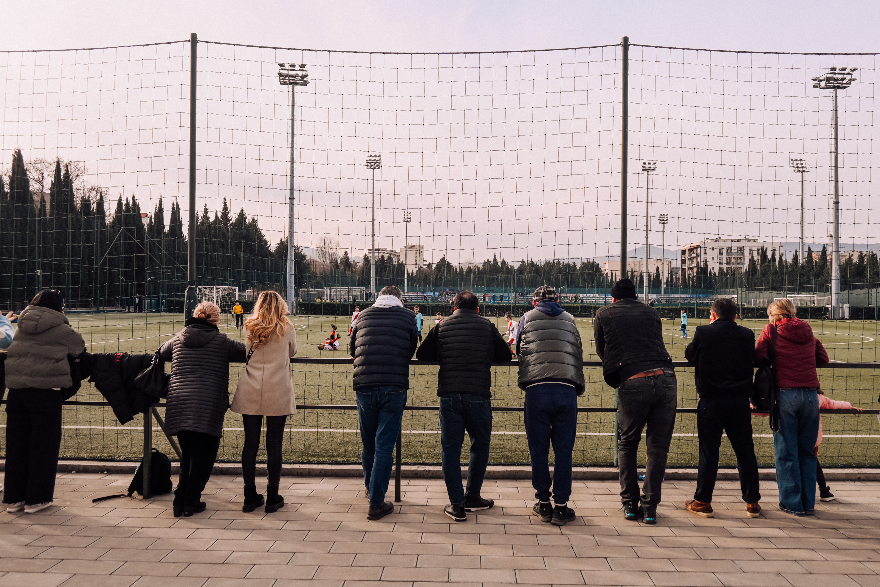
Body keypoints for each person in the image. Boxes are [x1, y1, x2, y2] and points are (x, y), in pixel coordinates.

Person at [416, 290, 512, 522]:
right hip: (478, 393)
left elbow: (422, 354)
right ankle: (472, 496)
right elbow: (506, 356)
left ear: (453, 307)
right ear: (478, 308)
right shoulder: (487, 326)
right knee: (480, 446)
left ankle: (457, 504)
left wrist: (446, 356)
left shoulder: (443, 326)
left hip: (449, 394)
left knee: (450, 449)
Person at [594, 278, 676, 525]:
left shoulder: (604, 313)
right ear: (636, 297)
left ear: (614, 298)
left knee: (628, 443)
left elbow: (602, 350)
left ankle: (630, 503)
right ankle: (650, 508)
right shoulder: (651, 312)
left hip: (634, 379)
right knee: (658, 448)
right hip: (666, 378)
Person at [159, 302, 246, 517]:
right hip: (208, 405)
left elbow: (161, 352)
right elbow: (246, 353)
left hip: (179, 402)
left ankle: (180, 500)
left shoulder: (179, 338)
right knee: (204, 457)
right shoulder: (222, 341)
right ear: (215, 320)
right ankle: (190, 500)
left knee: (187, 455)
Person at [3, 290, 85, 513]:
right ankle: (36, 499)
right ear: (59, 307)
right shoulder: (61, 328)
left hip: (17, 392)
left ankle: (13, 499)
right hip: (45, 392)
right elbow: (79, 346)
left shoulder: (22, 326)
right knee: (43, 447)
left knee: (16, 447)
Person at [683, 298, 761, 519]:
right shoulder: (747, 335)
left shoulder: (704, 332)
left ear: (713, 314)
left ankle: (703, 501)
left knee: (709, 451)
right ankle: (752, 501)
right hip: (739, 401)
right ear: (735, 315)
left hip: (712, 400)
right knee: (745, 450)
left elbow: (690, 356)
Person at [515, 285, 585, 526]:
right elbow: (577, 351)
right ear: (559, 300)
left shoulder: (526, 318)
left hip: (537, 389)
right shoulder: (570, 319)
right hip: (566, 389)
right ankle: (562, 506)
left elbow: (519, 350)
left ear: (534, 302)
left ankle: (543, 503)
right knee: (564, 451)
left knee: (539, 450)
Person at [754, 298, 828, 517]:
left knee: (786, 452)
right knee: (807, 451)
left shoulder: (771, 330)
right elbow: (823, 359)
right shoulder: (807, 330)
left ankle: (791, 503)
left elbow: (758, 356)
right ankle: (808, 503)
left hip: (785, 393)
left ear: (774, 315)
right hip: (810, 395)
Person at [350, 285, 418, 520]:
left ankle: (370, 488)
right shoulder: (408, 316)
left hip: (364, 384)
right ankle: (377, 502)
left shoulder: (363, 315)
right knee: (384, 445)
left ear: (378, 297)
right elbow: (411, 349)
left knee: (368, 442)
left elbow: (352, 349)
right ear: (400, 299)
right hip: (393, 385)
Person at [231, 291, 297, 514]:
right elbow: (293, 351)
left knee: (250, 443)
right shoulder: (286, 327)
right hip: (277, 388)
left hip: (251, 387)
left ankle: (249, 495)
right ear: (281, 306)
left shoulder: (249, 326)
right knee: (274, 443)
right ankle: (272, 494)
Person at [815, 391, 860, 502]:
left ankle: (818, 490)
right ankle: (823, 490)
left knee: (800, 463)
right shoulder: (817, 398)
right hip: (812, 438)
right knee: (813, 463)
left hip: (794, 437)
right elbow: (832, 404)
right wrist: (849, 407)